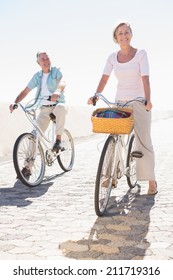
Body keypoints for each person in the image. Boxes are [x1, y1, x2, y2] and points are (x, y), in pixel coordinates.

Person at [88, 21, 157, 195]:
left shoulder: (141, 54)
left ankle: (151, 180)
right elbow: (104, 78)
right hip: (119, 103)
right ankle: (111, 175)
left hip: (139, 102)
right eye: (120, 33)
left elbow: (145, 78)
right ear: (116, 37)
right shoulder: (112, 57)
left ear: (131, 35)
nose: (124, 36)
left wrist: (148, 100)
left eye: (127, 32)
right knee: (114, 137)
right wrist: (96, 94)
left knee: (144, 141)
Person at [9, 51, 67, 154]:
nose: (46, 61)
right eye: (43, 59)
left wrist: (57, 92)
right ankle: (27, 165)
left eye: (47, 58)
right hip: (44, 109)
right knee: (34, 136)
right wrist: (15, 102)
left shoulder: (56, 71)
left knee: (61, 108)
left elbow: (62, 82)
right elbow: (26, 90)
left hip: (57, 105)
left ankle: (58, 140)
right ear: (38, 62)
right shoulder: (37, 77)